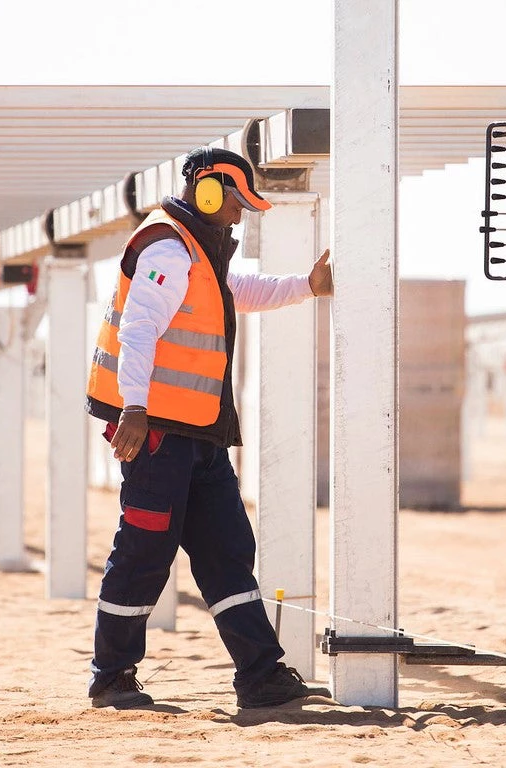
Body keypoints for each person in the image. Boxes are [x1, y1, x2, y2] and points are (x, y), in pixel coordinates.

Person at [85, 147, 333, 709]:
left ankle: (261, 675)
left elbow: (236, 295)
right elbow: (139, 329)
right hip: (157, 436)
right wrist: (134, 408)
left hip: (199, 433)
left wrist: (307, 286)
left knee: (227, 549)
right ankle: (111, 675)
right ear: (208, 191)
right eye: (237, 202)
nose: (241, 214)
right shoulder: (168, 246)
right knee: (145, 550)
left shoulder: (200, 252)